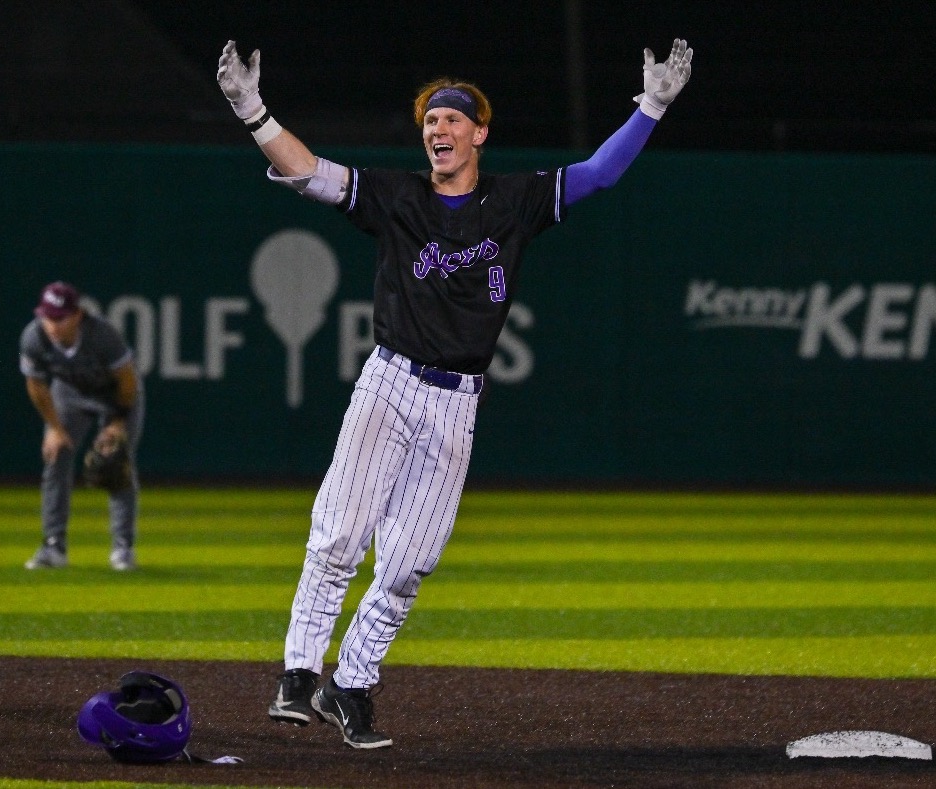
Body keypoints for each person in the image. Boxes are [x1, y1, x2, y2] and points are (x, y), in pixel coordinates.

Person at [216, 37, 693, 749]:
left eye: (450, 120)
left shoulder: (515, 201)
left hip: (457, 400)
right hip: (390, 380)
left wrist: (652, 106)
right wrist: (250, 109)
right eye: (430, 122)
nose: (437, 130)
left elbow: (596, 174)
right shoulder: (396, 196)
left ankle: (351, 685)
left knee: (409, 562)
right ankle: (298, 673)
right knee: (340, 533)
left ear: (479, 133)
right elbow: (311, 173)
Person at [18, 281, 145, 571]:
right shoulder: (34, 337)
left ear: (76, 315)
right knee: (56, 457)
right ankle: (53, 546)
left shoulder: (102, 336)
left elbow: (127, 382)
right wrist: (54, 427)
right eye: (47, 316)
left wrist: (116, 422)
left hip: (114, 395)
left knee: (116, 463)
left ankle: (123, 548)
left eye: (59, 318)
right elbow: (36, 385)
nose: (52, 325)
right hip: (69, 393)